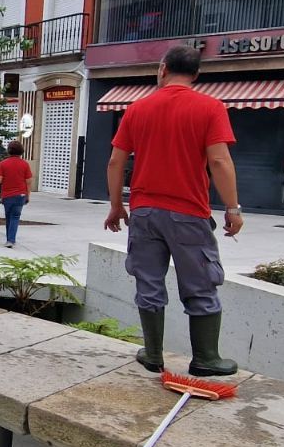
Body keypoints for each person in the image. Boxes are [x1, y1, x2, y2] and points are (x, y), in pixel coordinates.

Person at [104, 44, 243, 376]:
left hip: (145, 213)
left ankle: (153, 354)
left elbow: (115, 161)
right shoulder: (210, 108)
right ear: (195, 74)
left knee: (148, 282)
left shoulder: (137, 109)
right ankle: (206, 359)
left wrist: (115, 207)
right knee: (200, 284)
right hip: (189, 214)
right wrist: (233, 208)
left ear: (162, 68)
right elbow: (219, 160)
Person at [0, 140, 32, 249]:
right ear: (21, 151)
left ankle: (9, 240)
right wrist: (27, 195)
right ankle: (11, 240)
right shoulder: (25, 164)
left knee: (8, 217)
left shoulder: (3, 164)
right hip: (20, 195)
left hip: (7, 195)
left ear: (9, 151)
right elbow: (28, 181)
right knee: (15, 217)